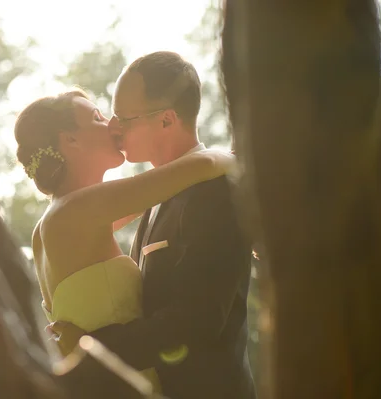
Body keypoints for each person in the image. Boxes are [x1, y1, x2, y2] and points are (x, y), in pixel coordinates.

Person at [50, 51, 256, 399]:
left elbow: (198, 319)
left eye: (125, 118)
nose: (114, 127)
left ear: (166, 120)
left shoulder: (216, 192)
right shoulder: (150, 201)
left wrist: (91, 347)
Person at [14, 87, 234, 393]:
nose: (113, 124)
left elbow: (158, 197)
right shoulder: (79, 209)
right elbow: (205, 165)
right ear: (70, 139)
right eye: (98, 117)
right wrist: (235, 157)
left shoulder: (55, 221)